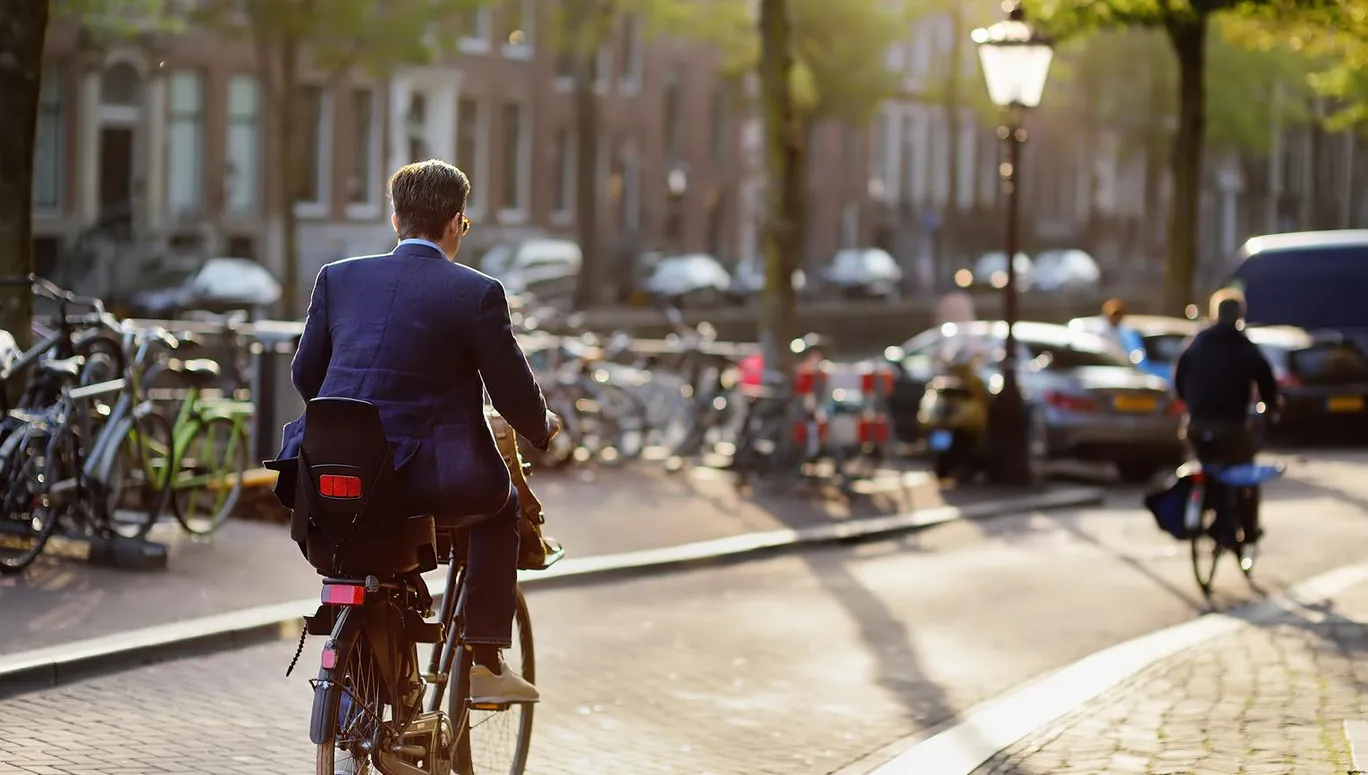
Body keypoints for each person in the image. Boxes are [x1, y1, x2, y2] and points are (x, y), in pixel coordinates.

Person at [278, 159, 555, 706]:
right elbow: (512, 395)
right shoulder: (477, 293)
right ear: (456, 223)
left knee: (366, 526)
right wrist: (543, 429)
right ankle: (484, 659)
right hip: (429, 478)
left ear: (395, 218)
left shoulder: (337, 277)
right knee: (499, 508)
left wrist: (352, 428)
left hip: (331, 467)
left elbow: (306, 375)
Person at [1172, 289, 1279, 545]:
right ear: (1240, 316)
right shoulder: (1244, 346)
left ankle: (1205, 505)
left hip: (1196, 426)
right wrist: (1272, 408)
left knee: (1207, 463)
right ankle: (1249, 530)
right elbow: (1267, 381)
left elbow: (1178, 379)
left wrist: (1190, 404)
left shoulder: (1196, 343)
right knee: (1245, 472)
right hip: (1232, 427)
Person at [1100, 298, 1144, 362]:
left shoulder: (1128, 332)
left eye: (1119, 314)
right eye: (1114, 314)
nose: (1116, 317)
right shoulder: (1098, 331)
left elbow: (1135, 351)